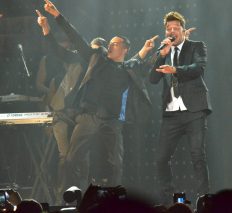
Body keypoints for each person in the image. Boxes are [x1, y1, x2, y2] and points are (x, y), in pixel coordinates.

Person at [41, 0, 156, 193]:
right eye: (109, 43)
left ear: (125, 49)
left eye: (115, 44)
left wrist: (152, 49)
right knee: (70, 160)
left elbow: (138, 61)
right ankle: (69, 198)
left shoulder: (128, 69)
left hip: (112, 121)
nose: (110, 46)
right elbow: (76, 38)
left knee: (116, 164)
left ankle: (113, 199)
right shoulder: (97, 59)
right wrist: (57, 16)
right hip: (89, 117)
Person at [149, 11, 212, 204]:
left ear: (183, 31)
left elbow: (199, 68)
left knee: (197, 156)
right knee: (160, 158)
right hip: (171, 113)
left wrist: (175, 69)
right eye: (169, 28)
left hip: (194, 110)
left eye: (176, 28)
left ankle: (204, 200)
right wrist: (161, 56)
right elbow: (152, 79)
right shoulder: (164, 51)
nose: (172, 31)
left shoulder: (196, 46)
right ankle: (168, 200)